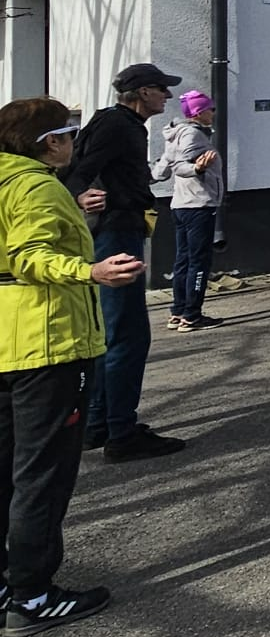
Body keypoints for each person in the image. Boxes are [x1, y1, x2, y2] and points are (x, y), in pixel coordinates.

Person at [0, 98, 145, 637]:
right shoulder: (36, 186)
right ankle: (33, 595)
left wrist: (74, 210)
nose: (74, 143)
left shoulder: (12, 182)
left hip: (7, 339)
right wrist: (91, 271)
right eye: (68, 133)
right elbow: (30, 255)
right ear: (50, 142)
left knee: (5, 469)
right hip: (50, 341)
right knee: (42, 475)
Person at [65, 62, 183, 462]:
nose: (167, 96)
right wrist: (79, 195)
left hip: (119, 229)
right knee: (127, 334)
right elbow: (78, 168)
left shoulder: (122, 124)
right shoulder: (116, 124)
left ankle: (98, 424)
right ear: (143, 92)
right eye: (162, 89)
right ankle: (121, 434)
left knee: (113, 333)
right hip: (115, 233)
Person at [152, 90, 224, 331]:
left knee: (183, 260)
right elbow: (180, 167)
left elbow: (162, 170)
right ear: (199, 112)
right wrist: (197, 169)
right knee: (199, 262)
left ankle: (178, 311)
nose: (213, 113)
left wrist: (146, 176)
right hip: (198, 205)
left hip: (181, 205)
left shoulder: (176, 134)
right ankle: (192, 316)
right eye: (211, 109)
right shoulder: (193, 134)